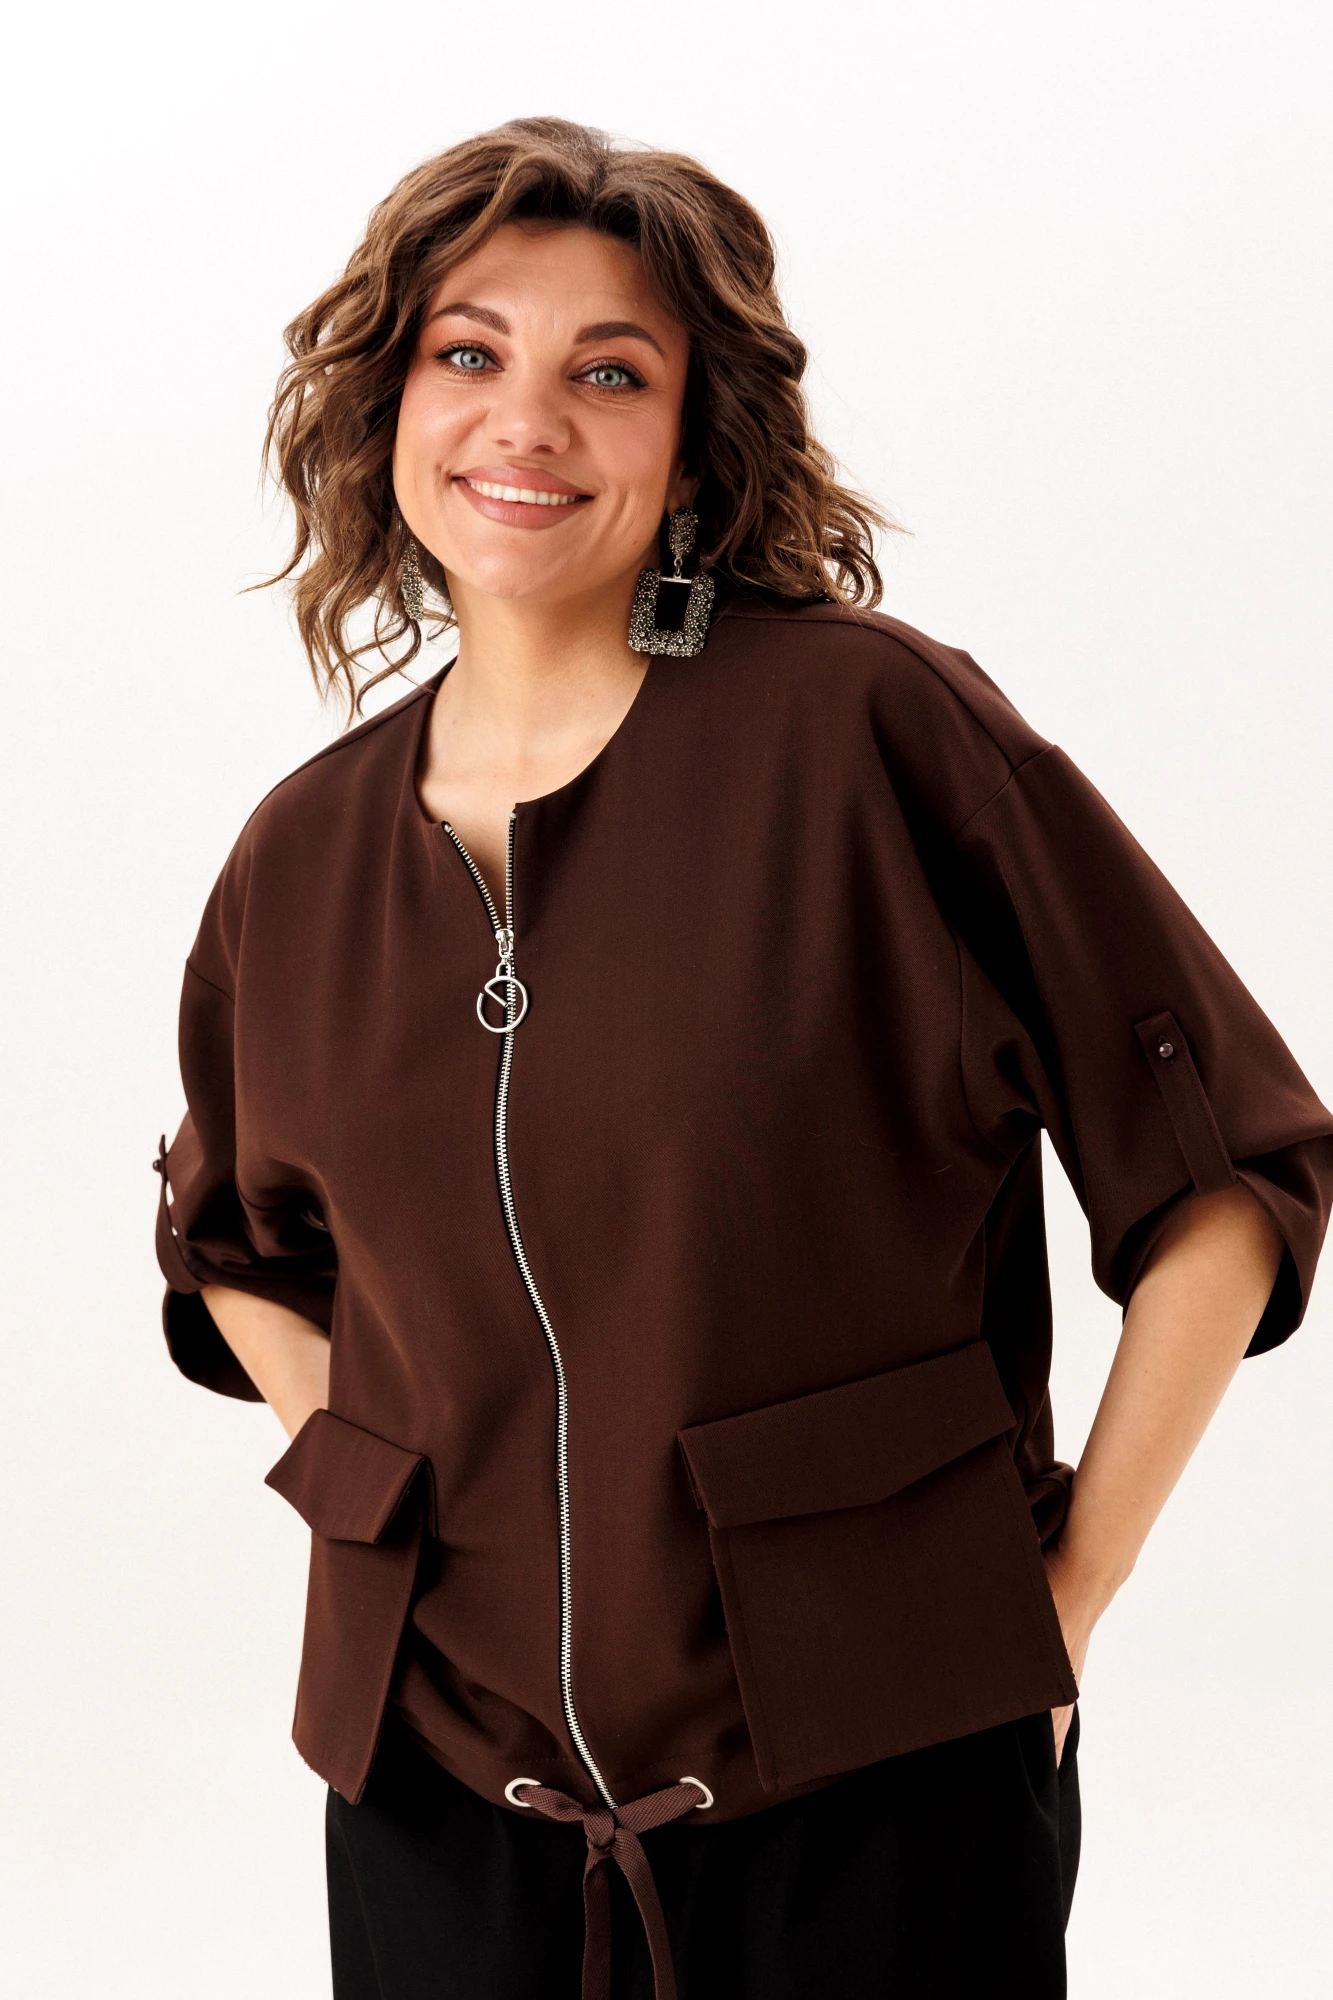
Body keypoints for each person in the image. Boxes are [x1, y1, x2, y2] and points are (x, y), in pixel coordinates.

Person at [151, 116, 1333, 2000]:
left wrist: (1066, 1597)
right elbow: (228, 1246)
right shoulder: (302, 855)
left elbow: (1224, 1173)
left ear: (700, 442)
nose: (526, 421)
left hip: (878, 1785)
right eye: (469, 353)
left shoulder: (871, 736)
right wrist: (390, 1496)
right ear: (389, 408)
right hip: (438, 1805)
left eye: (609, 373)